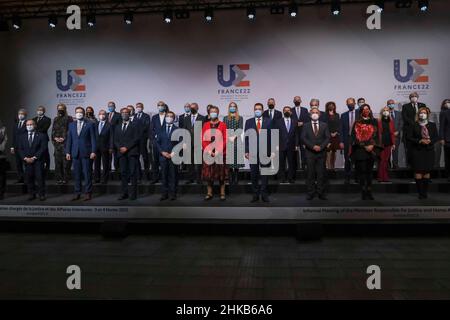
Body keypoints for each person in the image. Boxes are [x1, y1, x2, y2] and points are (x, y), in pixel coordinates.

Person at [65, 107, 97, 201]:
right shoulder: (71, 125)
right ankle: (77, 193)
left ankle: (88, 193)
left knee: (87, 174)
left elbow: (93, 139)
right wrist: (67, 152)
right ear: (75, 113)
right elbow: (69, 140)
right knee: (76, 174)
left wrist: (93, 151)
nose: (79, 114)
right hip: (75, 153)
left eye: (80, 112)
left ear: (84, 113)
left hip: (86, 152)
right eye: (77, 112)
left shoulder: (90, 124)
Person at [350, 104, 381, 200]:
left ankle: (369, 191)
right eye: (364, 109)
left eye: (367, 109)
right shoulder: (357, 122)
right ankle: (363, 191)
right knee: (362, 171)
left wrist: (372, 145)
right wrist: (364, 146)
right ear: (361, 111)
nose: (366, 110)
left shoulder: (374, 121)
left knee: (369, 172)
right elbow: (354, 137)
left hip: (371, 150)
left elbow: (376, 135)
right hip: (360, 150)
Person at [408, 107, 438, 199]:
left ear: (427, 114)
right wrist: (420, 141)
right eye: (421, 113)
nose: (422, 114)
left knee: (426, 172)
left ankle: (425, 193)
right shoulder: (414, 124)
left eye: (424, 113)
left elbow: (436, 137)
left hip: (428, 151)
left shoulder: (432, 125)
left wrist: (430, 141)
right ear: (418, 114)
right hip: (417, 151)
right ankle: (420, 193)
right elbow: (409, 137)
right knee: (418, 171)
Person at [301, 107, 330, 200]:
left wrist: (321, 147)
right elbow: (303, 138)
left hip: (321, 153)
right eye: (313, 112)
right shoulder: (305, 125)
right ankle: (310, 193)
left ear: (319, 114)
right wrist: (313, 146)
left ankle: (321, 192)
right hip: (310, 152)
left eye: (316, 112)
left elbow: (327, 138)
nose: (315, 114)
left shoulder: (324, 125)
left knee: (321, 174)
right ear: (310, 114)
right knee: (310, 174)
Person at [245, 103, 271, 203]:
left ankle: (264, 194)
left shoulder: (269, 121)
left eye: (259, 109)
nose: (257, 110)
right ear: (253, 110)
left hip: (265, 151)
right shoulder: (248, 122)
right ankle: (255, 194)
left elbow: (272, 136)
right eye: (256, 109)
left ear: (263, 110)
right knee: (254, 174)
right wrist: (246, 151)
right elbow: (246, 138)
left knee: (265, 174)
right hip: (252, 152)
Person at [202, 106, 228, 200]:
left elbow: (225, 139)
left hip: (220, 153)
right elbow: (203, 139)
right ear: (209, 113)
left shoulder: (223, 125)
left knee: (222, 175)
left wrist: (218, 150)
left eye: (215, 111)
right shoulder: (205, 125)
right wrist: (209, 151)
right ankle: (209, 193)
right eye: (211, 111)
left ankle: (222, 193)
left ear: (218, 113)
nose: (213, 113)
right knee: (209, 175)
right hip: (208, 153)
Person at [114, 108, 140, 200]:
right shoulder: (117, 126)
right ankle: (124, 193)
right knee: (123, 173)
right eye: (123, 112)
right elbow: (115, 140)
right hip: (121, 153)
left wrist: (127, 148)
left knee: (133, 173)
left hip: (132, 152)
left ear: (129, 114)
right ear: (121, 114)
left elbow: (136, 139)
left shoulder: (135, 125)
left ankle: (133, 194)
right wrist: (120, 148)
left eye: (126, 113)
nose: (124, 114)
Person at [18, 120, 47, 201]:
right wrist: (25, 158)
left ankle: (41, 195)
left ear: (35, 125)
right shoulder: (22, 136)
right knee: (29, 178)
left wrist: (34, 157)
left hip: (38, 160)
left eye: (31, 124)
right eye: (27, 125)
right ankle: (32, 194)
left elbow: (43, 148)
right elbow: (20, 149)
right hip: (27, 161)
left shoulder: (42, 136)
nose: (29, 126)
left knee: (40, 178)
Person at [156, 111, 180, 200]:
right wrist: (162, 152)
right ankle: (164, 194)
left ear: (174, 119)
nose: (169, 117)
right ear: (165, 117)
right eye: (167, 116)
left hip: (173, 157)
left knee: (173, 176)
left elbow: (180, 143)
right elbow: (157, 143)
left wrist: (172, 154)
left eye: (171, 116)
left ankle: (173, 194)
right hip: (163, 156)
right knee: (164, 175)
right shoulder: (160, 130)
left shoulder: (177, 129)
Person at [182, 102, 205, 184]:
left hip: (198, 143)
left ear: (197, 108)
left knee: (198, 162)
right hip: (188, 143)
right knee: (189, 162)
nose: (192, 109)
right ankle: (190, 178)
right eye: (191, 107)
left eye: (193, 108)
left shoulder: (202, 118)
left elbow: (204, 132)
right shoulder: (186, 118)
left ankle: (199, 179)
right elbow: (184, 131)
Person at [402, 92, 426, 167]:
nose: (414, 97)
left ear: (418, 97)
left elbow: (425, 115)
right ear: (410, 98)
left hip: (421, 130)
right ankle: (410, 165)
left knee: (420, 148)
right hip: (410, 130)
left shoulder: (422, 105)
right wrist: (415, 124)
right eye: (412, 96)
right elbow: (405, 117)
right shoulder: (405, 106)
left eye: (415, 96)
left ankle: (420, 164)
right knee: (409, 149)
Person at [223, 102, 244, 185]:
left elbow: (240, 128)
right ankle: (230, 178)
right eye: (231, 106)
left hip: (237, 141)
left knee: (237, 160)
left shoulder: (240, 118)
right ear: (229, 108)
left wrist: (234, 136)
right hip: (228, 141)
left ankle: (236, 178)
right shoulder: (225, 118)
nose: (232, 108)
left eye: (234, 106)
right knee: (230, 161)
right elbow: (224, 129)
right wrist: (228, 137)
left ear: (236, 108)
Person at [274, 106, 297, 183]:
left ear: (291, 112)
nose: (287, 111)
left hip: (291, 145)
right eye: (285, 110)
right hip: (281, 145)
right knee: (281, 163)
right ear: (283, 112)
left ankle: (291, 178)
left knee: (291, 163)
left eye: (288, 110)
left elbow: (296, 134)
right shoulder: (278, 121)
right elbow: (275, 134)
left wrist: (296, 145)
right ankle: (282, 178)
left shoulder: (294, 121)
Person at [52, 103, 73, 184]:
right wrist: (55, 138)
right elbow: (53, 131)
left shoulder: (69, 118)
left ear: (65, 109)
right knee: (58, 162)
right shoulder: (55, 119)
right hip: (57, 145)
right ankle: (59, 178)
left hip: (66, 143)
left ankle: (66, 178)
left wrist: (64, 138)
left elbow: (70, 130)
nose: (60, 110)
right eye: (59, 108)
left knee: (66, 163)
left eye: (62, 108)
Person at [340, 98, 359, 184]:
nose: (350, 105)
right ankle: (347, 178)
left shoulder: (360, 114)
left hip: (358, 140)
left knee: (358, 159)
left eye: (352, 103)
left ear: (355, 103)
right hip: (347, 139)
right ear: (346, 104)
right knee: (347, 159)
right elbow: (341, 129)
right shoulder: (343, 115)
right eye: (348, 103)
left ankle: (357, 178)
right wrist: (341, 141)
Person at [149, 101, 167, 184]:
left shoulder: (168, 116)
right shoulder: (154, 117)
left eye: (162, 105)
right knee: (155, 161)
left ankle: (165, 178)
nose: (160, 106)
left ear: (164, 106)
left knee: (164, 162)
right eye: (159, 105)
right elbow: (152, 130)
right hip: (156, 143)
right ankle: (155, 178)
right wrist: (153, 140)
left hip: (165, 143)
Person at [377, 106, 396, 183]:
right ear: (382, 112)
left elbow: (392, 133)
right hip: (381, 143)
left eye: (387, 110)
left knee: (386, 160)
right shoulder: (378, 121)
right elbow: (378, 133)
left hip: (389, 142)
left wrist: (393, 143)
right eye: (384, 110)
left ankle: (386, 177)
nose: (386, 112)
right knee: (381, 160)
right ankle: (380, 177)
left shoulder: (391, 121)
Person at [94, 109, 113, 184]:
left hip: (106, 147)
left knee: (105, 164)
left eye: (103, 114)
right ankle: (96, 178)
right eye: (100, 114)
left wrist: (111, 147)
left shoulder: (110, 125)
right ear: (98, 115)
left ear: (106, 115)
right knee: (96, 164)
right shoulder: (95, 124)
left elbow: (112, 136)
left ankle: (104, 179)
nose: (101, 116)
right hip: (96, 147)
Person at [291, 96, 309, 170]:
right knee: (294, 150)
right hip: (294, 133)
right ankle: (295, 166)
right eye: (295, 100)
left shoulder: (305, 110)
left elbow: (308, 120)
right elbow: (289, 120)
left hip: (303, 132)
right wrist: (295, 123)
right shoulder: (291, 110)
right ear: (293, 101)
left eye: (298, 100)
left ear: (301, 101)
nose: (297, 101)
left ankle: (304, 165)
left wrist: (303, 123)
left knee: (303, 150)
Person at [135, 102, 151, 181]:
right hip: (135, 140)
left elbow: (146, 126)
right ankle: (138, 175)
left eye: (140, 107)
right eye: (137, 107)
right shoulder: (134, 116)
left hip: (143, 139)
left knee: (145, 157)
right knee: (136, 157)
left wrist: (138, 132)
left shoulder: (146, 116)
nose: (138, 108)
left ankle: (146, 174)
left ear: (143, 107)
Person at [11, 108, 27, 184]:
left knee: (26, 163)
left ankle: (27, 178)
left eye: (22, 114)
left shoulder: (28, 123)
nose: (20, 115)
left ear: (25, 115)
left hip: (24, 147)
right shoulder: (15, 124)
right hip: (16, 147)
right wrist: (12, 146)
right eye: (19, 114)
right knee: (18, 164)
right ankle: (20, 178)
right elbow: (14, 136)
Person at [33, 106, 51, 173]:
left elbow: (44, 129)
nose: (39, 111)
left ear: (44, 111)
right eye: (38, 110)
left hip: (43, 138)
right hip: (34, 139)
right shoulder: (33, 119)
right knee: (36, 153)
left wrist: (35, 131)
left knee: (45, 154)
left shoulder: (47, 119)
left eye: (41, 110)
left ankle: (47, 170)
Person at [325, 101, 341, 171]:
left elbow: (339, 124)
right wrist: (329, 133)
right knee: (328, 151)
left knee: (334, 151)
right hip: (328, 135)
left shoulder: (337, 115)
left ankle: (333, 166)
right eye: (329, 105)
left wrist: (336, 132)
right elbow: (325, 125)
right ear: (327, 107)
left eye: (332, 105)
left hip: (335, 135)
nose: (331, 106)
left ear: (334, 107)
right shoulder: (324, 115)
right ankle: (328, 167)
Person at [386, 99, 402, 169]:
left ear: (394, 104)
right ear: (387, 105)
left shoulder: (399, 113)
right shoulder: (385, 113)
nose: (391, 105)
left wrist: (398, 131)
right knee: (388, 151)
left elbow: (401, 123)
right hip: (388, 136)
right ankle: (388, 165)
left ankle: (395, 165)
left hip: (396, 135)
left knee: (396, 151)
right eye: (389, 103)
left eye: (392, 103)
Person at [106, 101, 121, 173]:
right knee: (108, 155)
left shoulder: (118, 115)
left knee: (116, 155)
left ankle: (116, 169)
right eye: (109, 106)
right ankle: (108, 169)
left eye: (112, 106)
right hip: (106, 138)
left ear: (115, 107)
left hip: (115, 138)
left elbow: (120, 127)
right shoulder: (106, 114)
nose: (110, 107)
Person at [439, 99, 450, 181]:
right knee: (448, 158)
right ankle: (448, 175)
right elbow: (441, 127)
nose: (448, 104)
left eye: (449, 102)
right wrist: (442, 138)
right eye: (446, 103)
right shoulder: (444, 113)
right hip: (448, 138)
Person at [0, 121, 8, 200]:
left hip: (1, 156)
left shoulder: (2, 129)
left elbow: (2, 146)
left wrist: (2, 132)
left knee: (2, 176)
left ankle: (1, 193)